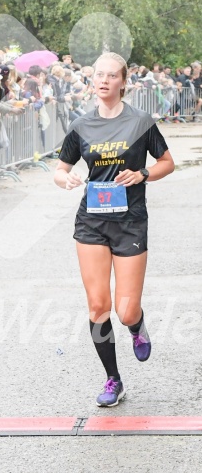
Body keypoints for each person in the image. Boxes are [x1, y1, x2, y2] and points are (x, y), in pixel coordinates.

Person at [54, 52, 175, 408]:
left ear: (123, 82)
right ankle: (113, 379)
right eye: (99, 75)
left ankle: (136, 326)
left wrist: (143, 174)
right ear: (92, 81)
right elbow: (59, 169)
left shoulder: (140, 121)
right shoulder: (81, 125)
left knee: (125, 310)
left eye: (111, 75)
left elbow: (167, 162)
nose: (104, 81)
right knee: (97, 305)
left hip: (130, 220)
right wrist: (68, 179)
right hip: (91, 221)